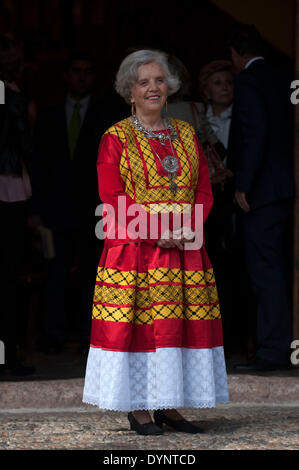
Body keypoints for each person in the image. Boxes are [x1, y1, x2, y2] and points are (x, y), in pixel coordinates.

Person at [82, 49, 229, 435]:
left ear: (170, 87)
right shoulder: (115, 138)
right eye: (144, 82)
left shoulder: (185, 133)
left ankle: (168, 405)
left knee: (177, 328)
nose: (153, 88)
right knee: (141, 328)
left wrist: (186, 227)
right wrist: (154, 231)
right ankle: (139, 409)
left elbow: (203, 190)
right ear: (129, 90)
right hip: (136, 250)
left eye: (159, 80)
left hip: (184, 248)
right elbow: (113, 196)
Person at [28, 51, 109, 353]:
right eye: (76, 70)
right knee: (55, 275)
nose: (82, 76)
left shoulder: (105, 113)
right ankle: (54, 336)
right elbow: (37, 165)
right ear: (66, 75)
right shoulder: (48, 115)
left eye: (88, 70)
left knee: (94, 277)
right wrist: (35, 210)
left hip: (96, 210)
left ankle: (92, 336)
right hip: (55, 209)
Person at [228, 25, 294, 371]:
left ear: (236, 55)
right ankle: (278, 344)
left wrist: (244, 184)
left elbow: (255, 133)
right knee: (277, 268)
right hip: (282, 187)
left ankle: (272, 349)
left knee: (265, 271)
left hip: (263, 191)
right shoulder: (284, 75)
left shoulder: (248, 80)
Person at [0, 34, 35, 376]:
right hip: (7, 185)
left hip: (10, 185)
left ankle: (8, 354)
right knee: (7, 277)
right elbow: (22, 141)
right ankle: (7, 356)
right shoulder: (7, 92)